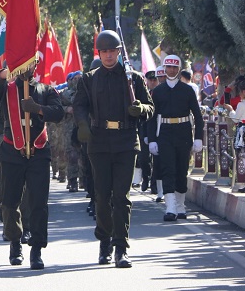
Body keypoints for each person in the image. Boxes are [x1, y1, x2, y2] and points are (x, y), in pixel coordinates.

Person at [73, 30, 154, 268]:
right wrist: (83, 125)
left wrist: (141, 109)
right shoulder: (89, 79)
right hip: (98, 141)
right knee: (102, 197)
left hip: (126, 140)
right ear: (99, 53)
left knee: (122, 197)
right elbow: (79, 106)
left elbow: (150, 107)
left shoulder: (134, 79)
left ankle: (121, 248)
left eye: (113, 51)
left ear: (119, 52)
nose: (109, 56)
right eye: (105, 52)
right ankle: (104, 241)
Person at [0, 58, 64, 270]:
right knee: (9, 201)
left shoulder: (45, 90)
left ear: (35, 66)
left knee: (38, 203)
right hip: (12, 151)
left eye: (29, 63)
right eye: (22, 62)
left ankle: (36, 249)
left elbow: (59, 113)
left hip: (38, 152)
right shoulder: (6, 89)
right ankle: (15, 242)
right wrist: (8, 71)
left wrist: (38, 108)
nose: (25, 67)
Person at [148, 55, 203, 222]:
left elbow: (198, 116)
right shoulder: (157, 91)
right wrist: (151, 139)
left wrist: (198, 138)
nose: (171, 70)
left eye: (174, 67)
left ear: (179, 69)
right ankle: (170, 207)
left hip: (183, 132)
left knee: (181, 169)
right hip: (164, 132)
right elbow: (152, 116)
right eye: (168, 67)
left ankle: (180, 206)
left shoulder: (187, 90)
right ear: (164, 69)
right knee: (167, 169)